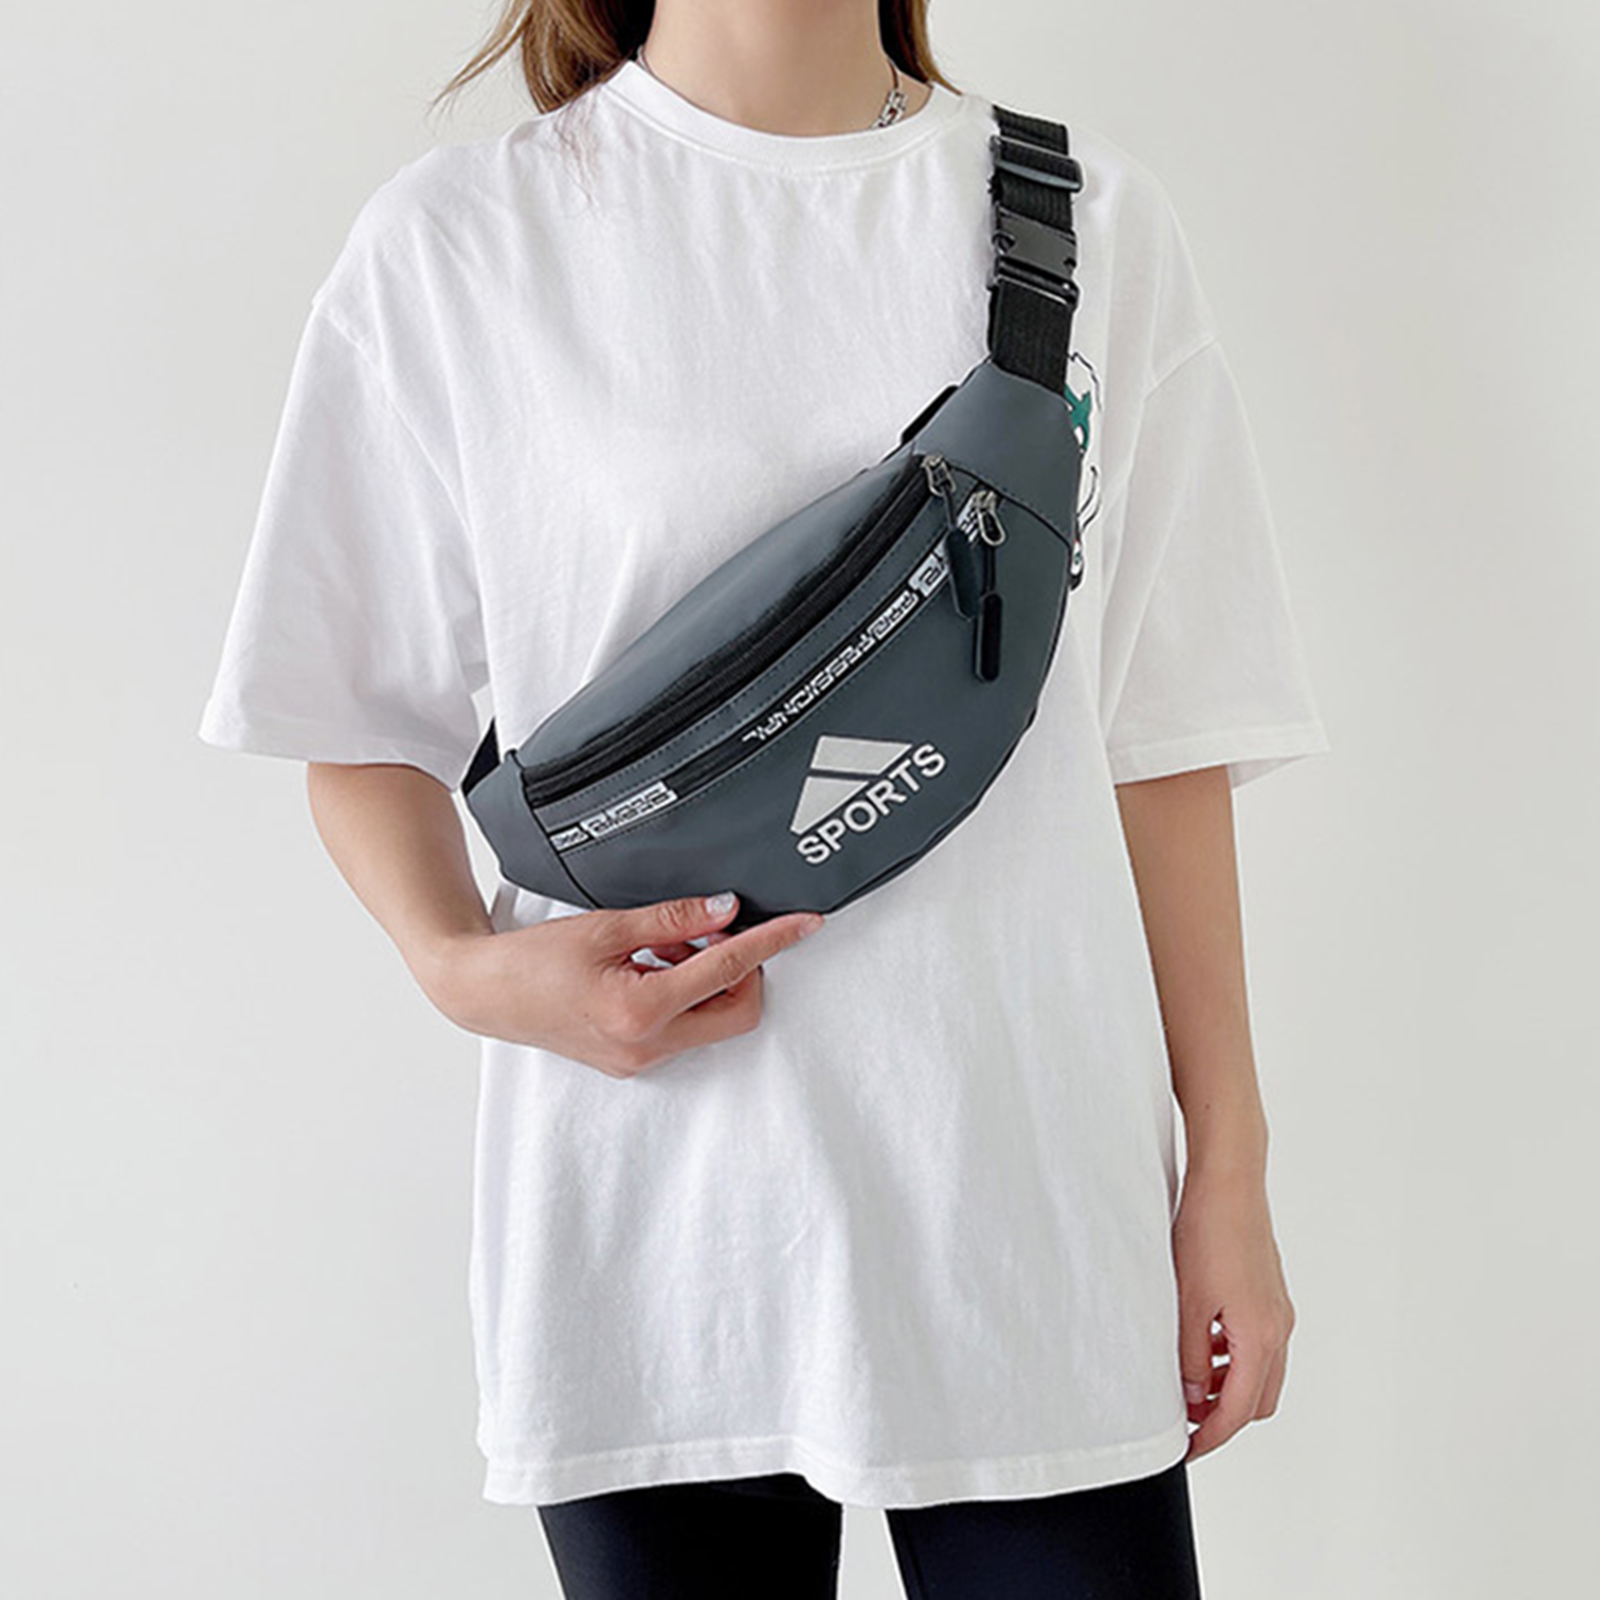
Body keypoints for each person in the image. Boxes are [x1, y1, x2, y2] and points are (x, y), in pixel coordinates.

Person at [196, 2, 1331, 1594]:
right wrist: (463, 970)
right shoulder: (462, 242)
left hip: (1030, 1224)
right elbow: (351, 715)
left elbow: (1162, 743)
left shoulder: (1091, 224)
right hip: (652, 1237)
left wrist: (1230, 1176)